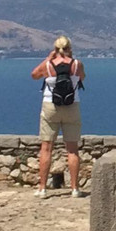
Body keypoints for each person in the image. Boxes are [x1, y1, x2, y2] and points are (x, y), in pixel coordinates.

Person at [30, 35, 86, 199]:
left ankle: (42, 188)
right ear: (70, 48)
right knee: (72, 149)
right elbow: (82, 77)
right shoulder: (77, 65)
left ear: (55, 49)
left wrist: (48, 59)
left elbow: (34, 75)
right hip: (72, 106)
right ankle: (75, 189)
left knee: (46, 147)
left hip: (50, 106)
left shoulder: (48, 65)